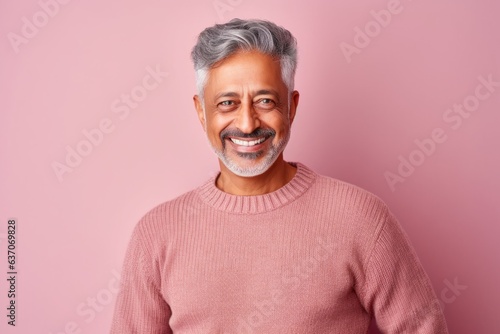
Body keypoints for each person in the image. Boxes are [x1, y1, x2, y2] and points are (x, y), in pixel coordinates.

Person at [110, 18, 449, 333]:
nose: (247, 123)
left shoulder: (360, 217)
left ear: (292, 106)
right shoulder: (156, 234)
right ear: (201, 111)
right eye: (227, 103)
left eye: (265, 101)